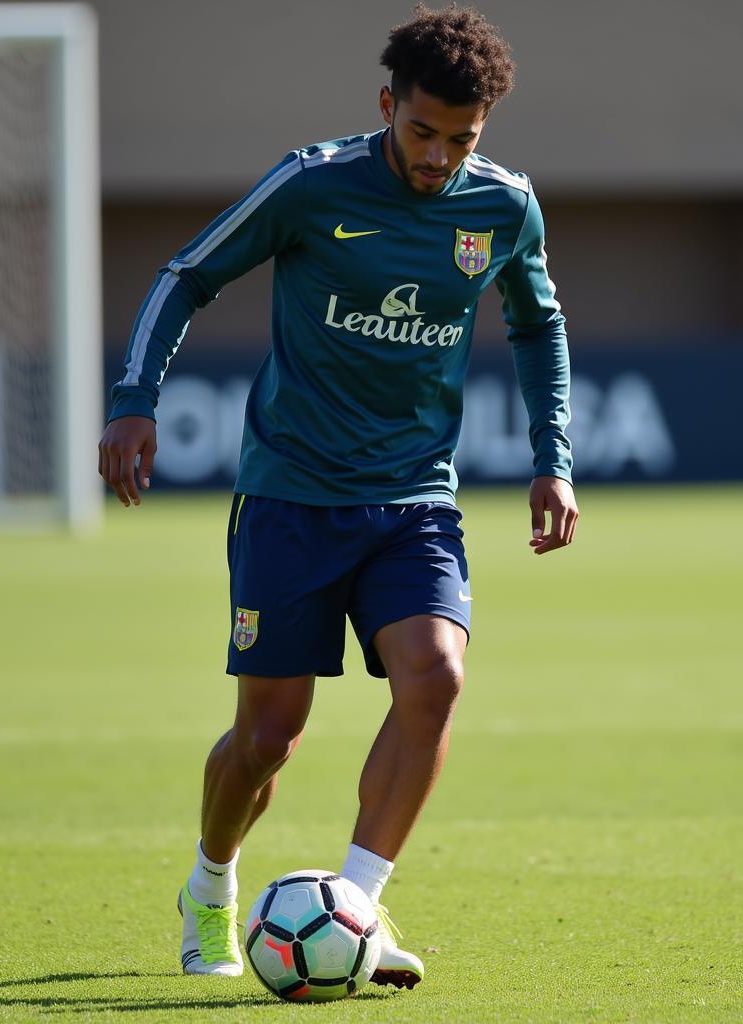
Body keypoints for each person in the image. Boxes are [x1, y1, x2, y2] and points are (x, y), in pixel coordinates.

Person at [98, 2, 577, 990]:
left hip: (414, 500)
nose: (439, 156)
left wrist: (552, 455)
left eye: (461, 139)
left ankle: (354, 904)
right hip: (290, 496)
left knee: (436, 677)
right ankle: (210, 883)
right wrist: (133, 403)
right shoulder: (311, 184)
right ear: (385, 103)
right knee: (268, 739)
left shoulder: (501, 207)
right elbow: (187, 274)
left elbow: (538, 324)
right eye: (421, 132)